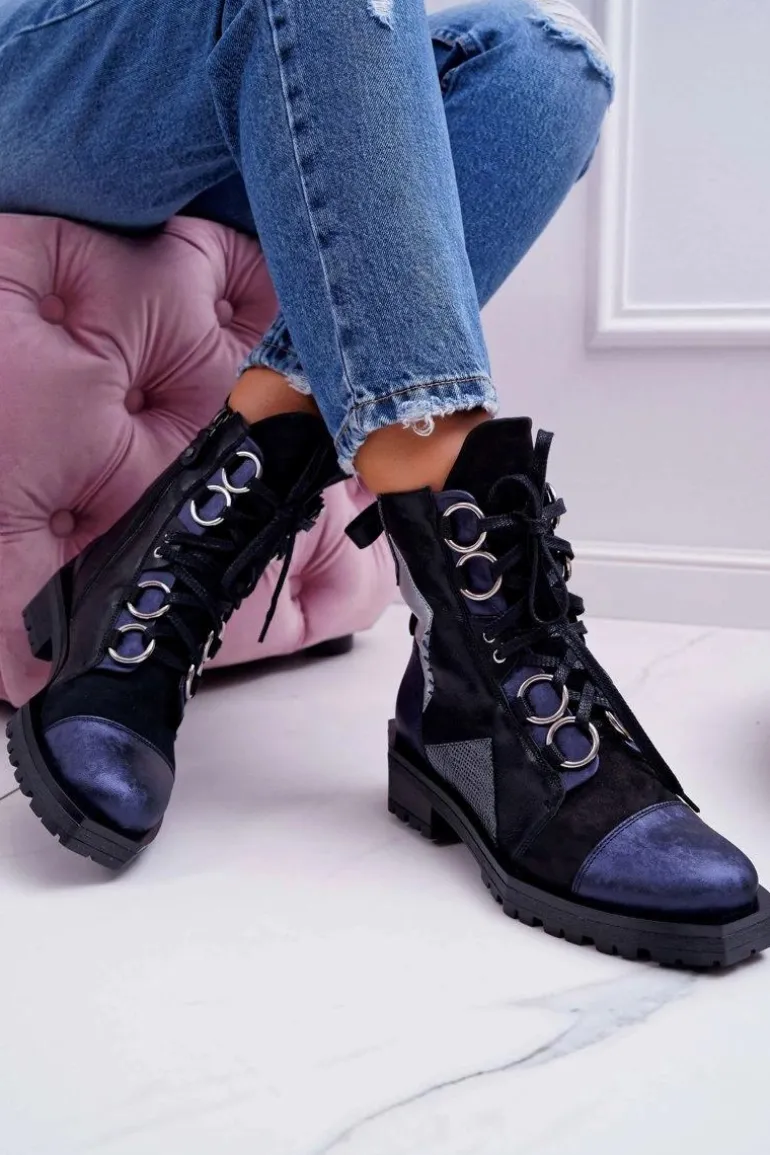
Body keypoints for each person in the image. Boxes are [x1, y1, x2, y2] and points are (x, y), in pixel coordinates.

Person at [2, 0, 768, 967]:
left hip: (191, 80)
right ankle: (475, 673)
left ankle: (178, 561)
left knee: (550, 68)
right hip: (41, 76)